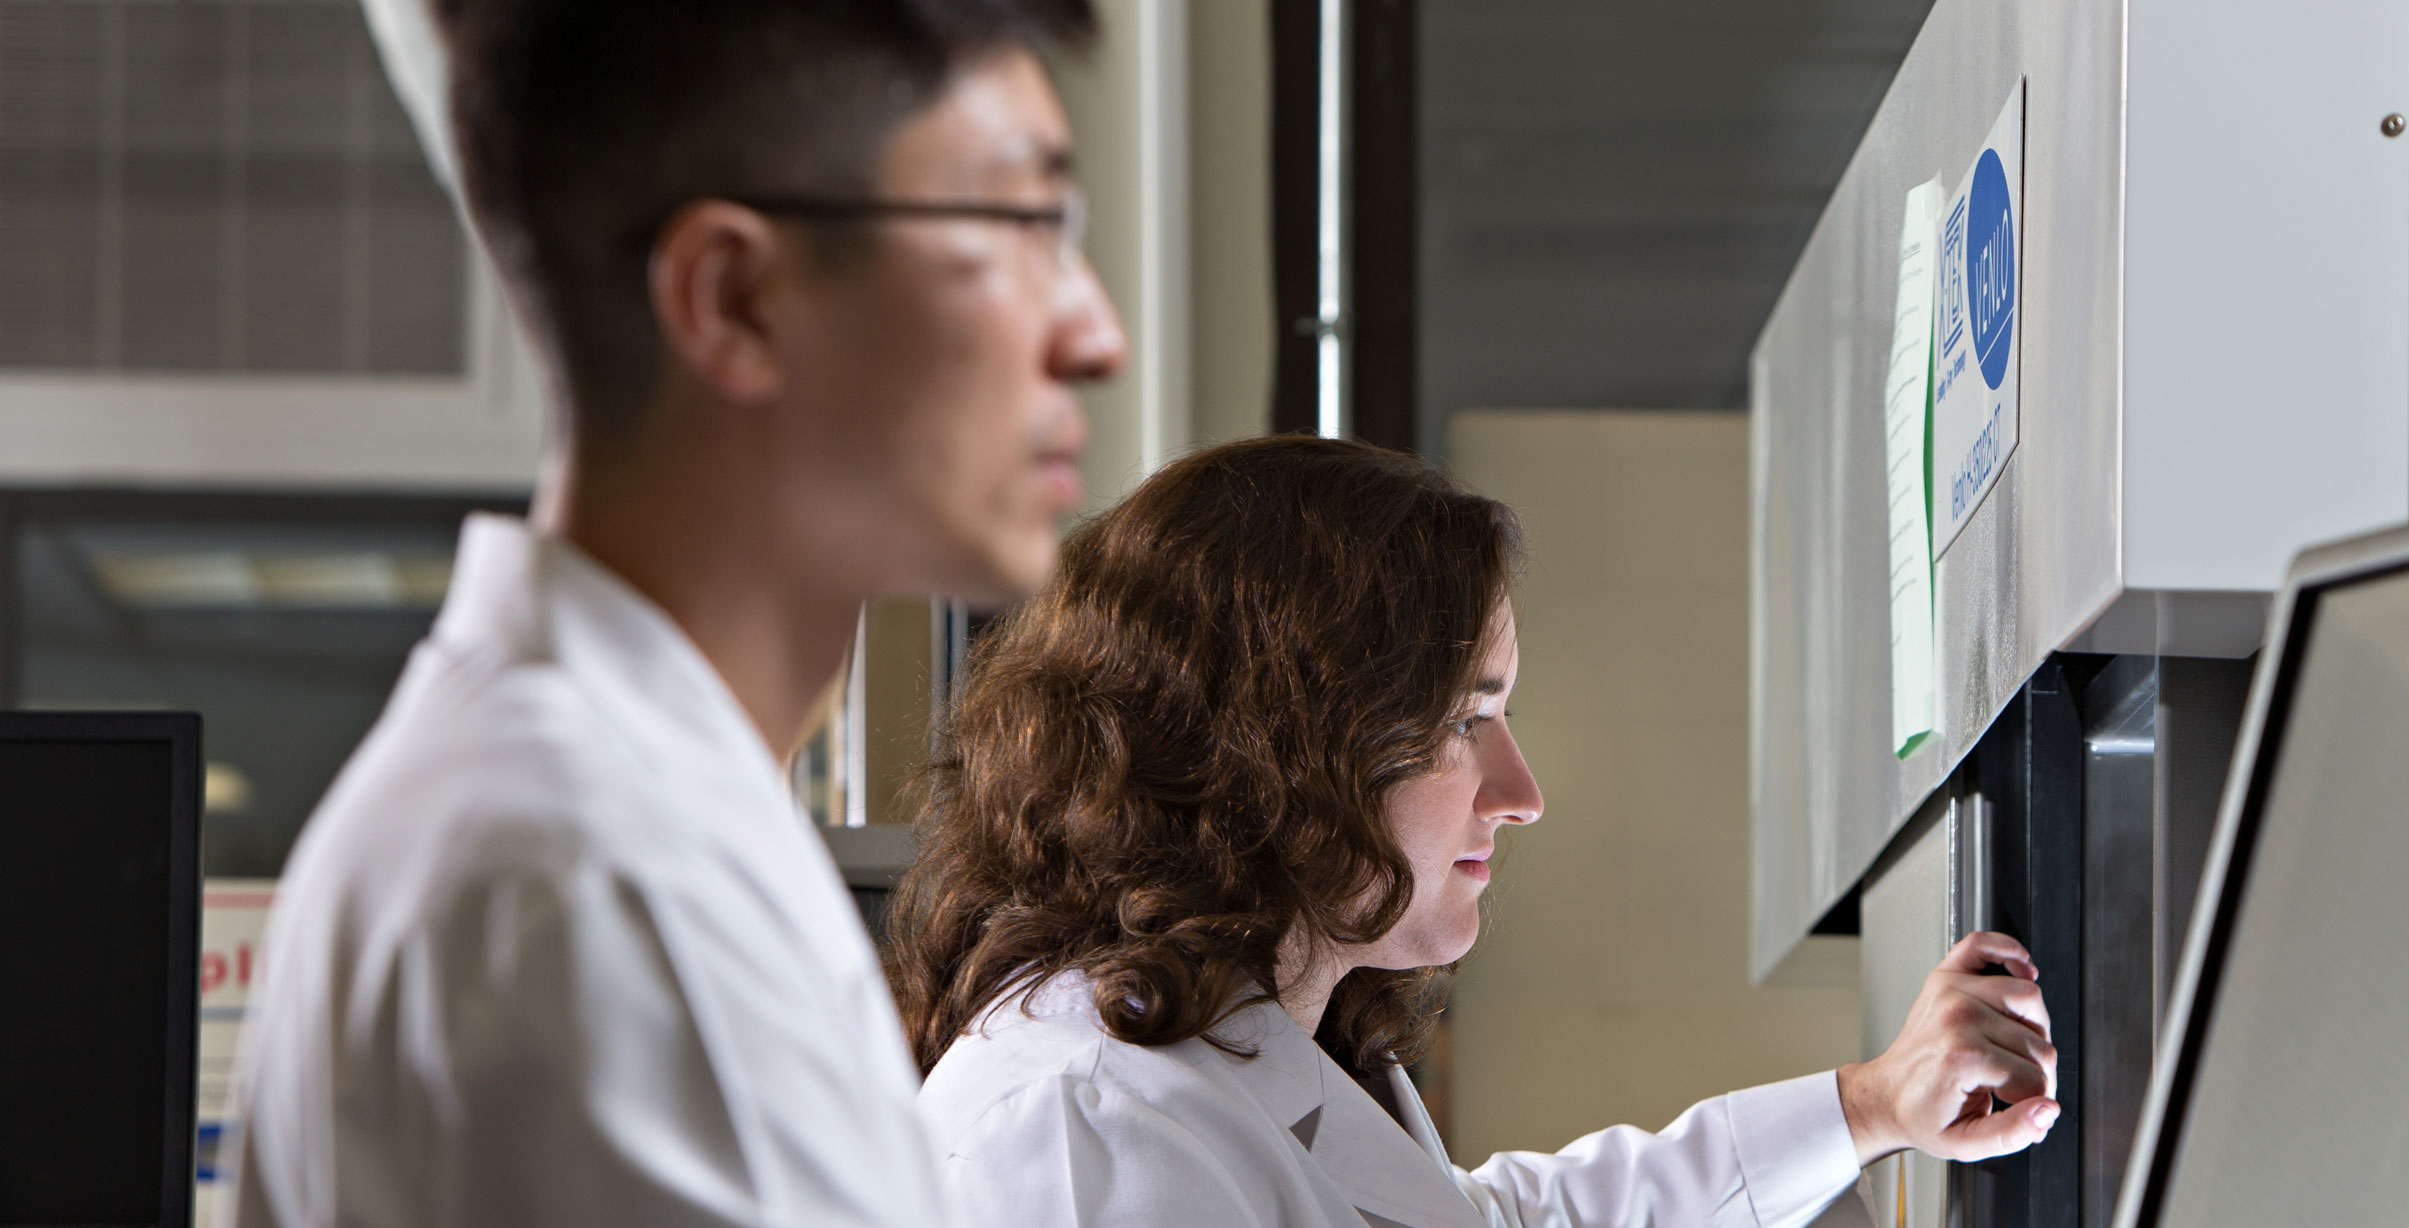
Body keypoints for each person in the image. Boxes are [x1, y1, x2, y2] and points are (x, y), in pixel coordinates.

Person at [228, 0, 1124, 1224]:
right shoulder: (606, 885)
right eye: (1022, 227)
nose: (1094, 333)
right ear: (735, 299)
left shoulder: (601, 814)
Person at [890, 436, 2060, 1228]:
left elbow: (1492, 1220)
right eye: (1464, 721)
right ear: (1282, 742)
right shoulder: (1083, 1137)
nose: (1519, 789)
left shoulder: (1235, 1064)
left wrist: (1863, 1110)